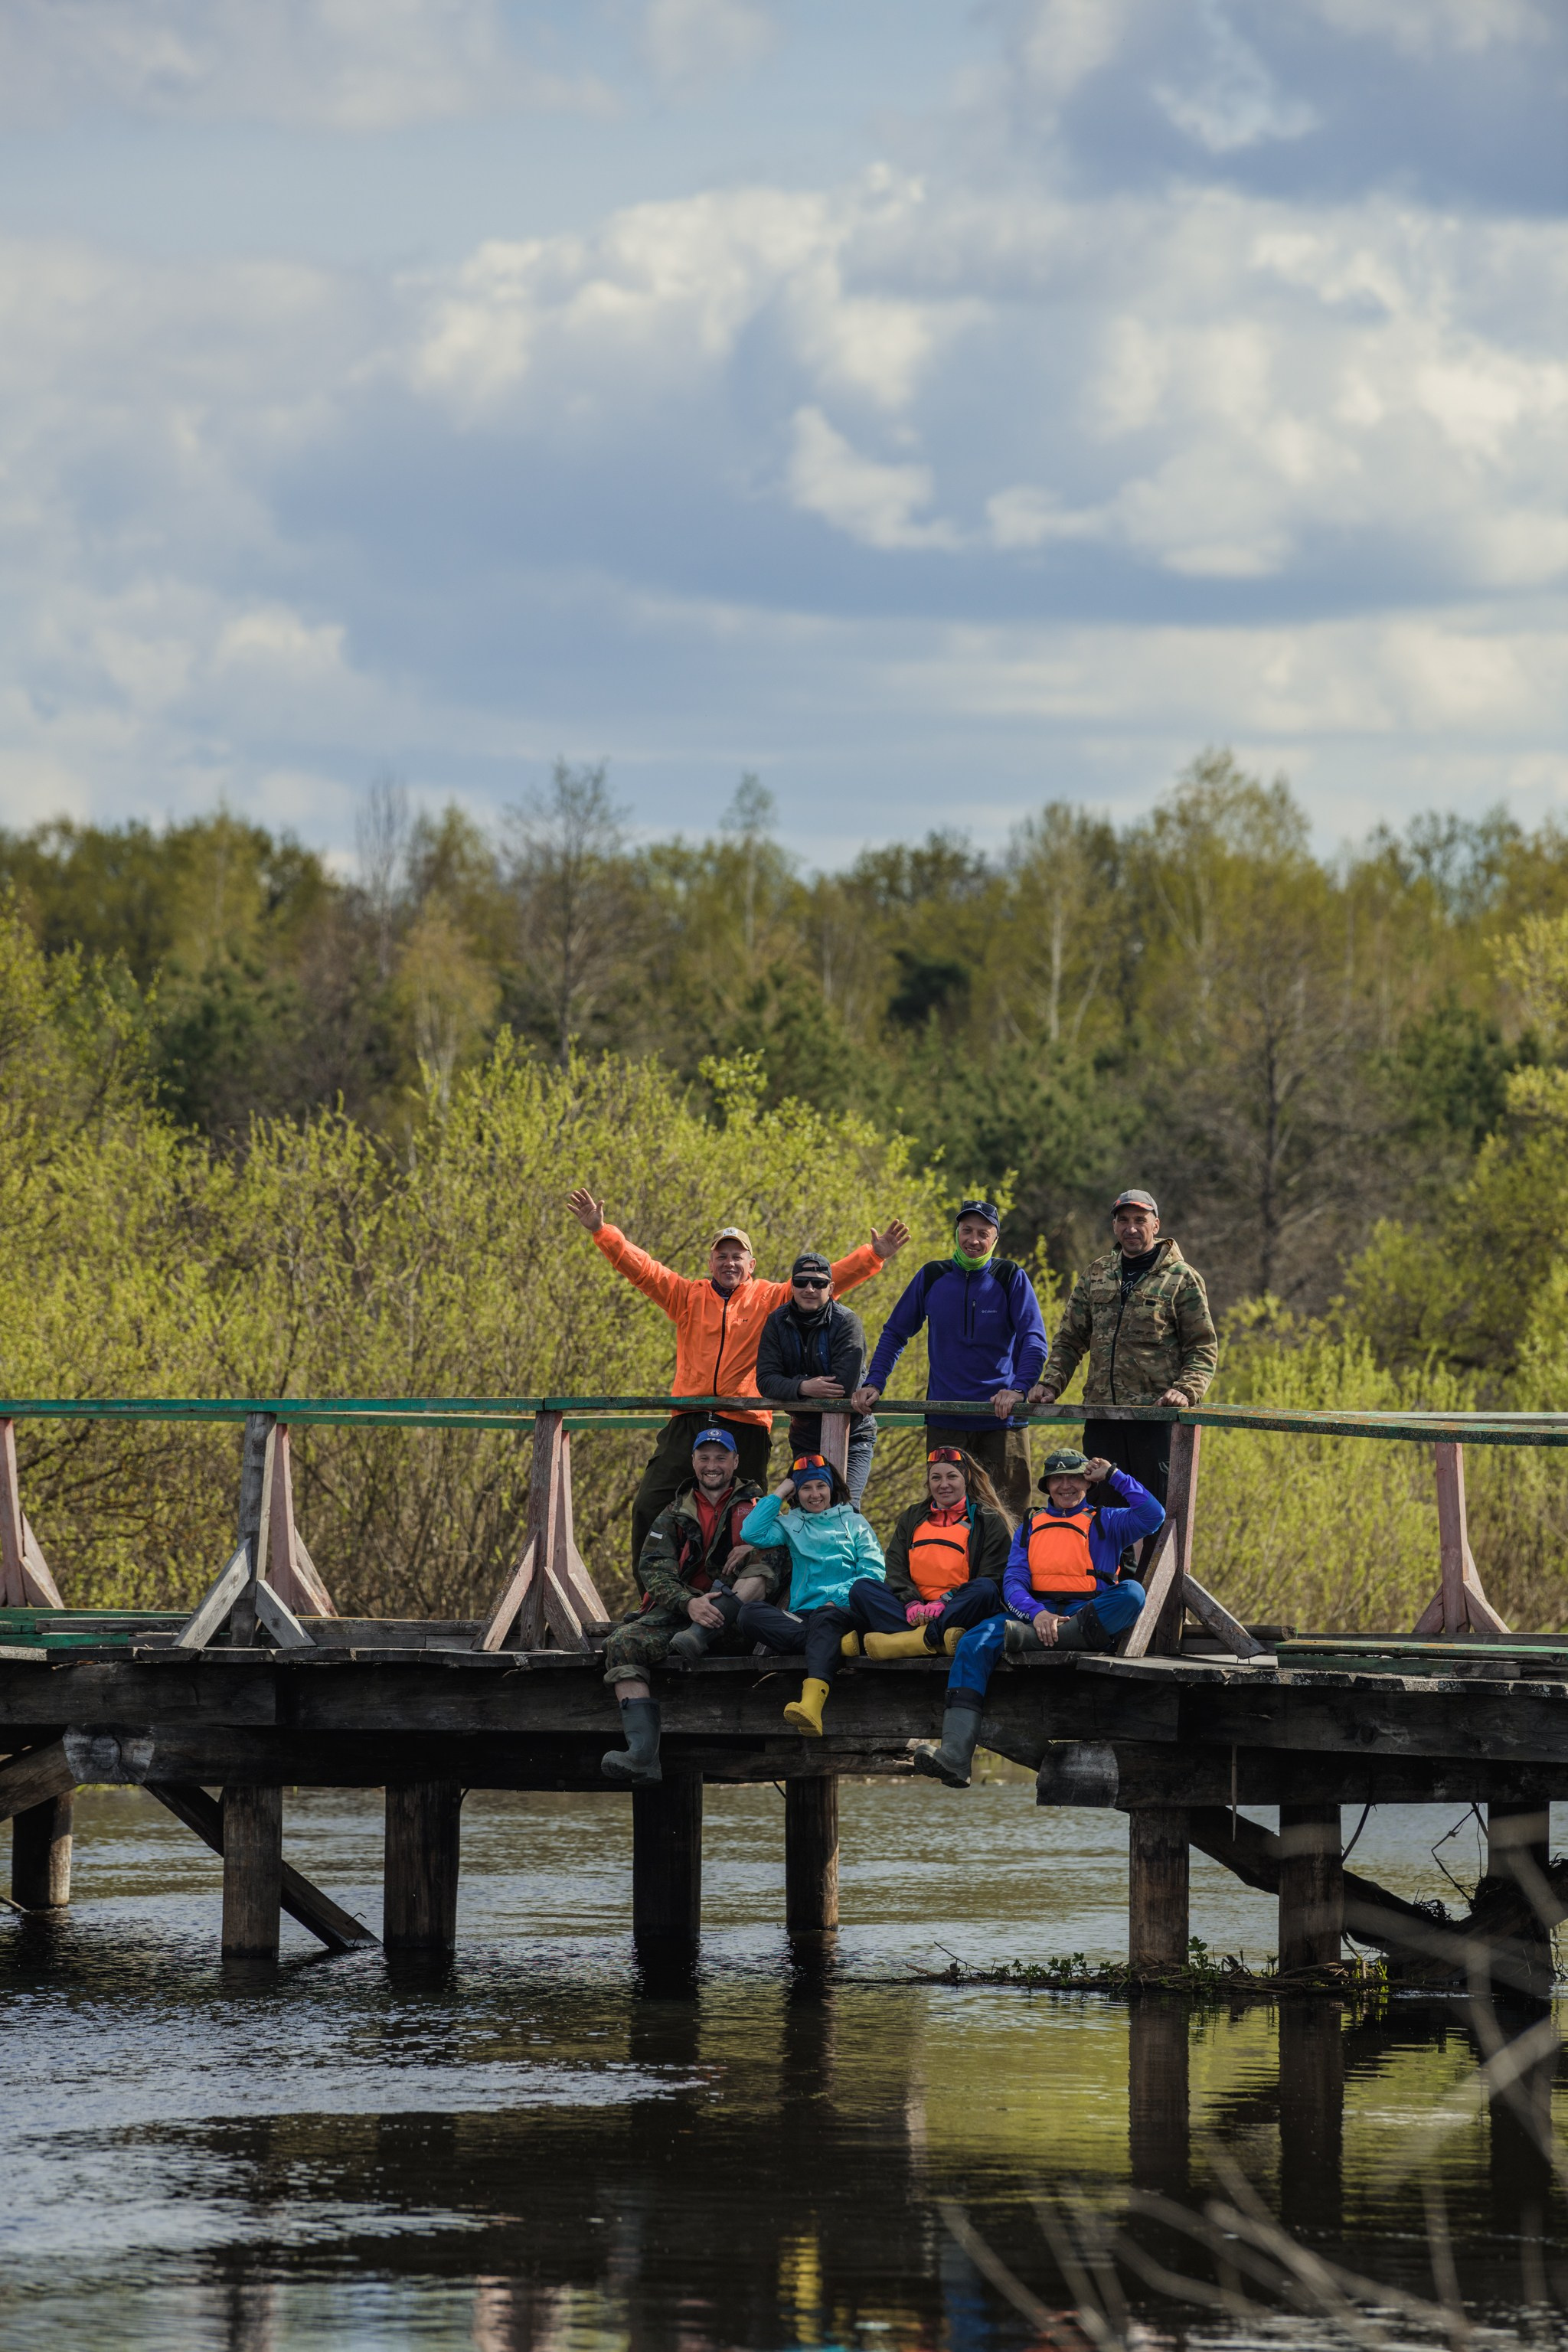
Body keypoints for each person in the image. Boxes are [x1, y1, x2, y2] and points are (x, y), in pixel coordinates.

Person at [567, 1187, 910, 1563]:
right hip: (689, 1419)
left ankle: (732, 1604)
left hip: (745, 1422)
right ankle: (653, 1597)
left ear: (752, 1264)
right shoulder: (686, 1296)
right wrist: (603, 1232)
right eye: (722, 1256)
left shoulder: (770, 1298)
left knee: (746, 1519)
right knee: (651, 1504)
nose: (729, 1263)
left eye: (737, 1256)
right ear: (711, 1262)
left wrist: (873, 1255)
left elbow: (821, 1283)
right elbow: (644, 1270)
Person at [913, 1448, 1163, 1788]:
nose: (1065, 1486)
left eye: (1073, 1478)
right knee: (974, 1641)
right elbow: (1013, 1582)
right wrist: (1038, 1613)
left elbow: (1154, 1515)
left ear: (1086, 1482)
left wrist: (1114, 1475)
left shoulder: (1109, 1520)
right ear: (1047, 1486)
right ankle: (955, 1757)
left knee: (1133, 1592)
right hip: (1035, 1615)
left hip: (1085, 1613)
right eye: (1057, 1479)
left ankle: (1058, 1635)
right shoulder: (1029, 1525)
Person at [599, 1427, 784, 1785]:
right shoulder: (673, 1512)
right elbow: (653, 1570)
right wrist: (690, 1604)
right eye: (704, 1458)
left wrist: (757, 1540)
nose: (712, 1466)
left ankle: (703, 1631)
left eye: (720, 1458)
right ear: (694, 1462)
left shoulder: (762, 1507)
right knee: (622, 1643)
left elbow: (789, 1551)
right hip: (685, 1620)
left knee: (768, 1556)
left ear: (735, 1462)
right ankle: (641, 1756)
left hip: (741, 1622)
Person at [852, 1199, 1047, 1521]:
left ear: (995, 1239)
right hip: (946, 1420)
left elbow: (1034, 1340)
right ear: (956, 1233)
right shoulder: (932, 1276)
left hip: (1002, 1420)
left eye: (983, 1233)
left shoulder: (1010, 1276)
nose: (973, 1240)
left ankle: (1011, 1574)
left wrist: (1019, 1388)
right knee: (946, 1514)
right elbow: (895, 1333)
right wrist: (875, 1382)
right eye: (966, 1231)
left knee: (1010, 1518)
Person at [1027, 1188, 1217, 1508]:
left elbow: (1202, 1346)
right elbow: (1070, 1338)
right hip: (1103, 1416)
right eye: (1123, 1220)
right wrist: (1051, 1383)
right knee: (1103, 1516)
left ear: (1156, 1225)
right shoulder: (1096, 1274)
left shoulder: (1181, 1279)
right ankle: (1109, 1563)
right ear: (1114, 1226)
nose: (1131, 1228)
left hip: (1154, 1418)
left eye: (1140, 1220)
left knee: (1154, 1513)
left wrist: (1186, 1390)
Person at [729, 1455, 887, 1737]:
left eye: (820, 1486)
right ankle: (835, 1646)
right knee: (748, 1613)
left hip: (845, 1611)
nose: (815, 1494)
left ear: (831, 1488)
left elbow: (873, 1572)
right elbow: (751, 1532)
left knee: (826, 1618)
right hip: (803, 1618)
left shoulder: (854, 1521)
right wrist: (780, 1491)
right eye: (806, 1488)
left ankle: (812, 1705)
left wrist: (835, 1599)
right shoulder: (790, 1524)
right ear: (797, 1494)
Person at [841, 1445, 1011, 1660]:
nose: (944, 1484)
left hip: (957, 1609)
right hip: (912, 1612)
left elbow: (993, 1576)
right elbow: (895, 1566)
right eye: (936, 1478)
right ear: (929, 1482)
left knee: (985, 1590)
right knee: (862, 1588)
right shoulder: (912, 1515)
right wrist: (911, 1603)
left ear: (966, 1479)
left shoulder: (987, 1520)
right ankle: (937, 1640)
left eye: (952, 1477)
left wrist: (944, 1602)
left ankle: (912, 1640)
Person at [756, 1253, 876, 1505]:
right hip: (804, 1437)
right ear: (792, 1285)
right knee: (803, 1511)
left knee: (845, 1510)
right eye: (801, 1282)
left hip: (853, 1435)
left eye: (819, 1283)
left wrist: (789, 1386)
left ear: (831, 1287)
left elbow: (842, 1387)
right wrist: (804, 1386)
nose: (809, 1289)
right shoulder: (776, 1322)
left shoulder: (847, 1322)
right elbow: (765, 1381)